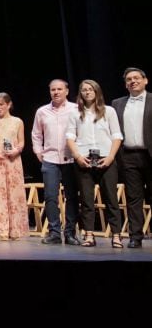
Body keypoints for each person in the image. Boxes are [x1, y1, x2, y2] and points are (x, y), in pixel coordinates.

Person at [67, 80, 124, 248]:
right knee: (86, 200)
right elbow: (70, 137)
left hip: (106, 158)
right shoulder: (75, 113)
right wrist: (77, 156)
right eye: (84, 90)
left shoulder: (109, 111)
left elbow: (117, 136)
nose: (87, 92)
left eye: (90, 89)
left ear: (96, 91)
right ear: (80, 93)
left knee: (111, 199)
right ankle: (89, 235)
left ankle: (116, 235)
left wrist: (111, 157)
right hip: (83, 159)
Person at [32, 79, 81, 246]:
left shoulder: (76, 109)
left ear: (67, 91)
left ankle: (70, 233)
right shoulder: (42, 111)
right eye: (53, 89)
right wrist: (38, 151)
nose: (56, 92)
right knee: (50, 196)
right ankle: (54, 232)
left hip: (71, 158)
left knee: (72, 197)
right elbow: (37, 134)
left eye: (60, 89)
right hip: (50, 158)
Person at [112, 68, 152, 248]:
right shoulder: (117, 103)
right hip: (127, 155)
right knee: (133, 197)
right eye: (129, 79)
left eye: (136, 78)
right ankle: (135, 236)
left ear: (145, 81)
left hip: (150, 154)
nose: (133, 81)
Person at [0, 92, 28, 240]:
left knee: (14, 194)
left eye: (1, 104)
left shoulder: (18, 121)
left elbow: (21, 141)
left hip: (13, 161)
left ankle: (15, 230)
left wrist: (16, 150)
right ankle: (1, 230)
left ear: (9, 105)